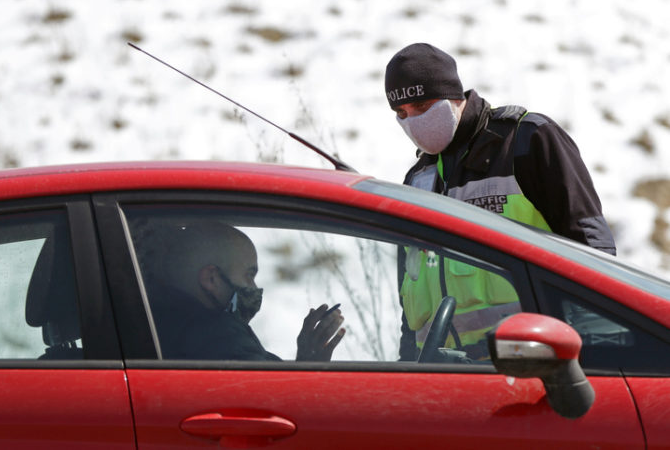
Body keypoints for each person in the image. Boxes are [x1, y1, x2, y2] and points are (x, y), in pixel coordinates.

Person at [384, 43, 616, 361]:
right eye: (401, 113)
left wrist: (590, 364)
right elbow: (408, 312)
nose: (411, 121)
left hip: (532, 369)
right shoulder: (416, 180)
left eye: (422, 106)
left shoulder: (526, 141)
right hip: (441, 383)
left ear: (453, 95)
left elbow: (594, 255)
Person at [149, 222, 345, 361]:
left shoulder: (159, 322)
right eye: (249, 275)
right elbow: (278, 399)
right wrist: (308, 363)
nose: (253, 287)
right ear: (211, 279)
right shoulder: (219, 337)